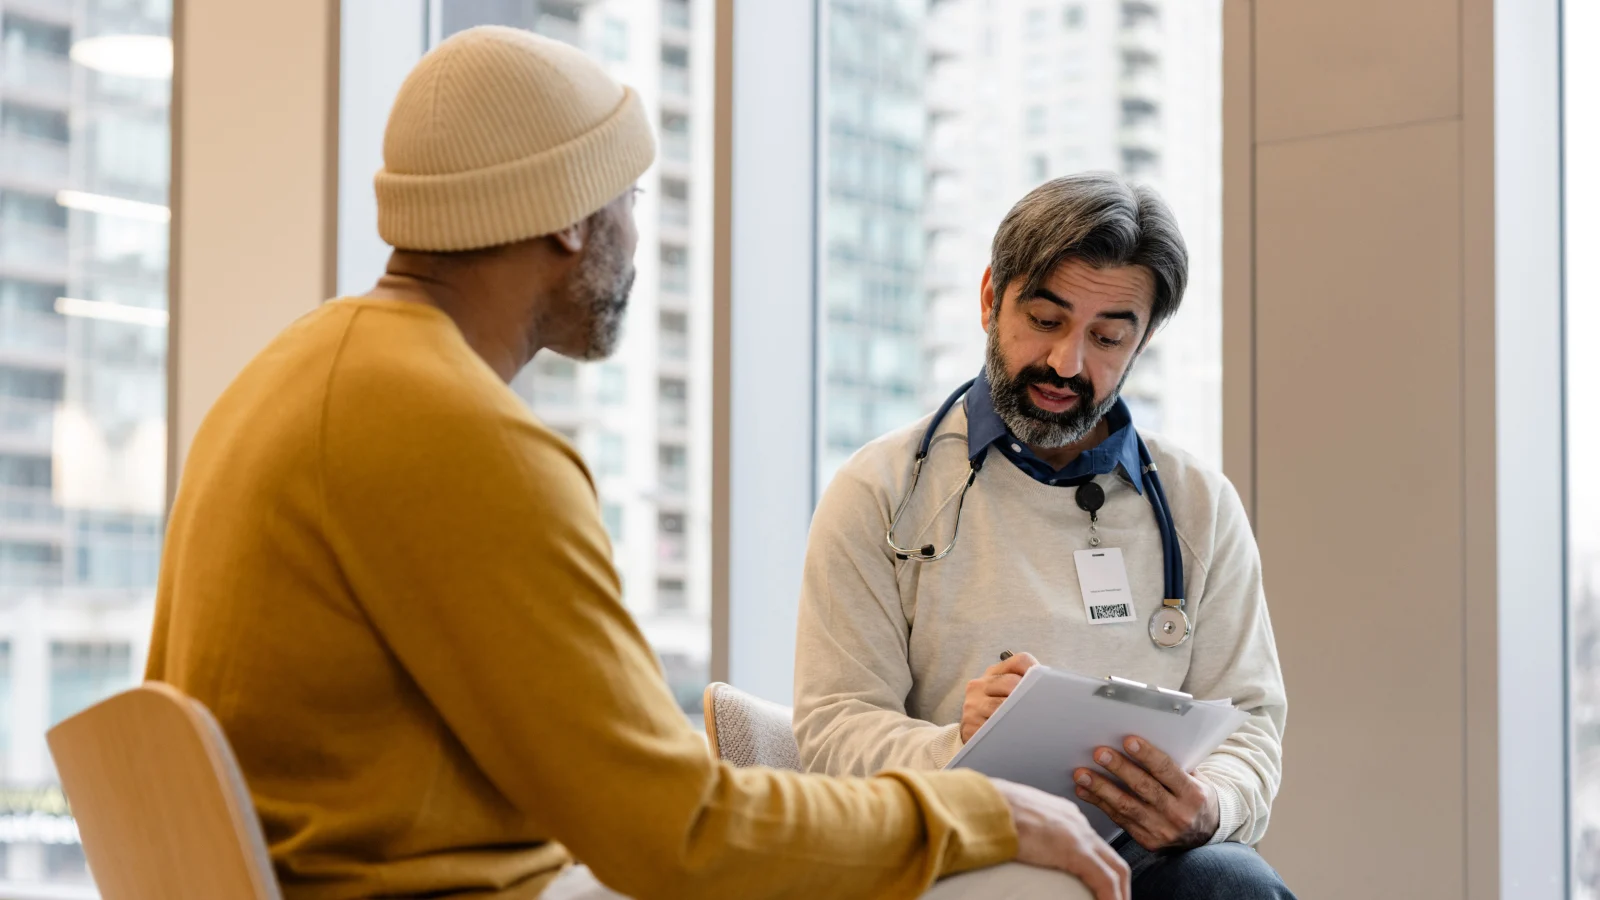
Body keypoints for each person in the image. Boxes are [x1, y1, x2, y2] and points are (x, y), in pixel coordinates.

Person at [144, 26, 1133, 900]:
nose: (635, 234)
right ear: (567, 217)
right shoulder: (460, 436)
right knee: (1020, 883)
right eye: (629, 197)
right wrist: (977, 815)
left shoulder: (290, 374)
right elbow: (676, 834)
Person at [792, 173, 1295, 899]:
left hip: (1139, 862)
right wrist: (956, 745)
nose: (1067, 364)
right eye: (1046, 319)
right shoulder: (880, 492)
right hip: (952, 847)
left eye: (1107, 337)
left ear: (1143, 340)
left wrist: (1208, 804)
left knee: (1231, 884)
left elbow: (1248, 721)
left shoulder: (1198, 506)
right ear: (991, 298)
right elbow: (834, 727)